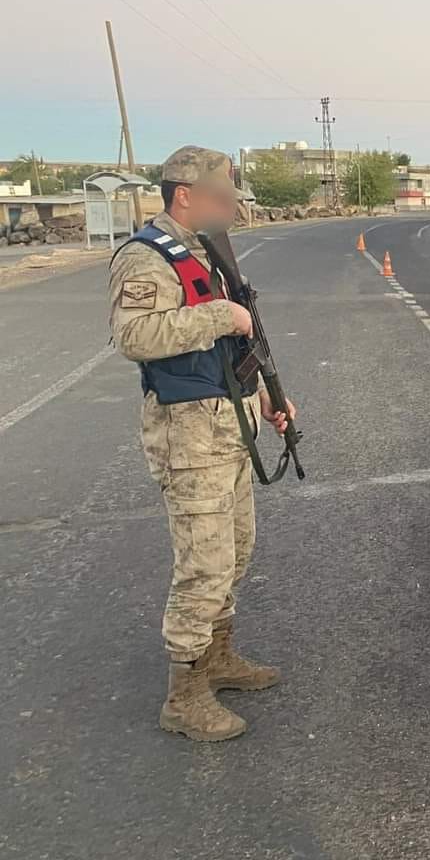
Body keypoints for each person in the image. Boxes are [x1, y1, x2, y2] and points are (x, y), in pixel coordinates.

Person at [109, 145, 297, 742]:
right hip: (189, 434)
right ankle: (184, 696)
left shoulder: (208, 252)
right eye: (221, 198)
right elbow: (135, 335)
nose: (230, 209)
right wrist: (221, 315)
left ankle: (216, 656)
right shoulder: (146, 257)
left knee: (236, 550)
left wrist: (267, 398)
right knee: (204, 564)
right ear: (184, 194)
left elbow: (235, 345)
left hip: (228, 422)